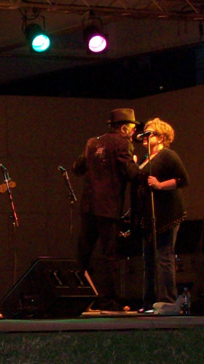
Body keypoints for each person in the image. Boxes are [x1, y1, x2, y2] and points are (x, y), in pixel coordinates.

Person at [72, 108, 143, 312]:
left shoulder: (92, 142)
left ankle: (77, 297)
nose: (132, 133)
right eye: (131, 128)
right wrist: (136, 164)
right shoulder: (123, 143)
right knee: (110, 255)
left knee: (83, 255)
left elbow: (77, 167)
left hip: (88, 206)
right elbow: (131, 174)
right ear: (123, 128)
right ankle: (108, 300)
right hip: (108, 207)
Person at [131, 118, 189, 313]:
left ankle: (167, 300)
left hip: (166, 214)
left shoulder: (167, 155)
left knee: (164, 256)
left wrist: (160, 185)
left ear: (162, 137)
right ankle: (148, 302)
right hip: (149, 217)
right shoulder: (146, 159)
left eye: (151, 133)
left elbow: (182, 179)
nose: (146, 137)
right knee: (148, 259)